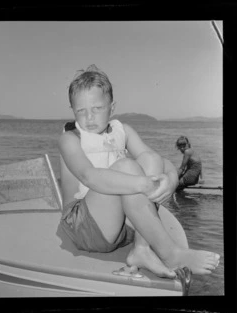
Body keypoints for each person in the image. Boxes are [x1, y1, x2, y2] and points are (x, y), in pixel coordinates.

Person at [58, 64, 219, 278]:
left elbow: (161, 162)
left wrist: (171, 181)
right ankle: (171, 253)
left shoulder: (123, 131)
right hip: (85, 226)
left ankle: (141, 249)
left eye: (96, 109)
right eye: (81, 111)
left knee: (150, 158)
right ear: (73, 111)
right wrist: (142, 183)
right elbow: (90, 176)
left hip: (120, 224)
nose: (89, 118)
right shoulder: (69, 139)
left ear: (112, 107)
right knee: (128, 166)